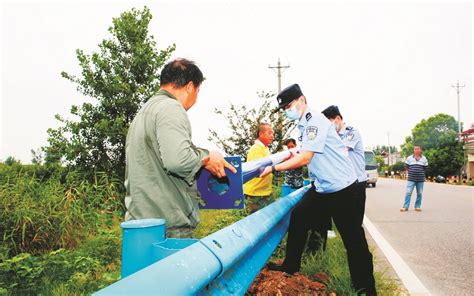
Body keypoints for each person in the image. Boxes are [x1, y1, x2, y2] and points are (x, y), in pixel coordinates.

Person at [261, 84, 376, 296]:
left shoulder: (315, 121)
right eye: (284, 107)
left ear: (302, 100)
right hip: (322, 189)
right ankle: (291, 265)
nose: (287, 110)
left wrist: (273, 168)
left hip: (343, 190)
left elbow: (305, 158)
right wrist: (288, 154)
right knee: (299, 217)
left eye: (289, 105)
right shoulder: (303, 125)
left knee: (353, 241)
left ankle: (366, 289)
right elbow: (301, 150)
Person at [124, 59, 236, 238]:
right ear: (190, 87)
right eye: (198, 91)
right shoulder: (171, 108)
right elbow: (178, 161)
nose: (196, 97)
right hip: (167, 228)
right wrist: (207, 157)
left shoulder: (145, 110)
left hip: (139, 226)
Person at [243, 123, 274, 213]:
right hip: (255, 194)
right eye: (269, 133)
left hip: (265, 192)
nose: (272, 136)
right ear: (261, 134)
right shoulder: (256, 149)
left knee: (273, 217)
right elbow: (259, 171)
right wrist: (276, 166)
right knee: (255, 222)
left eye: (273, 134)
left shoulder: (265, 148)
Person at [400, 146, 428, 212]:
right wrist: (411, 171)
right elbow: (406, 166)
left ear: (420, 150)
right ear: (413, 150)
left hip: (420, 179)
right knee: (408, 193)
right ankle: (405, 207)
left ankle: (417, 206)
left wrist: (419, 171)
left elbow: (426, 167)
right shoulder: (409, 158)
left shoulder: (424, 158)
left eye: (418, 149)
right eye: (415, 149)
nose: (416, 150)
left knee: (420, 193)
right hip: (411, 179)